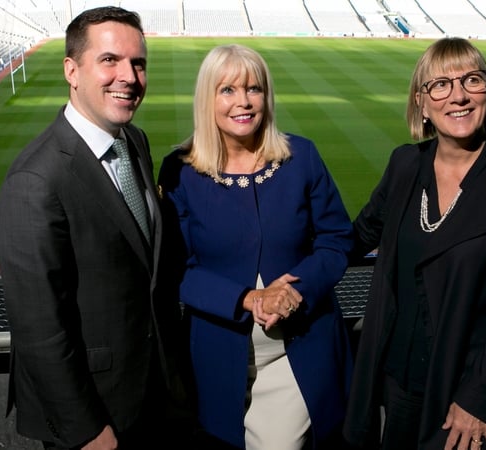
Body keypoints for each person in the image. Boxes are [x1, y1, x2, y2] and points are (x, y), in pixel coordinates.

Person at [342, 37, 486, 450]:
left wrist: (477, 400)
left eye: (472, 80)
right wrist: (288, 269)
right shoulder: (405, 163)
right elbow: (359, 235)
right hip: (399, 379)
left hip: (466, 392)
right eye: (440, 85)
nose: (458, 96)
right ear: (421, 103)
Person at [0, 7, 190, 449]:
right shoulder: (36, 179)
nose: (129, 77)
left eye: (138, 63)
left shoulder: (133, 140)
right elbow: (38, 327)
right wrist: (84, 430)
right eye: (109, 60)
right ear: (72, 70)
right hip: (96, 415)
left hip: (155, 395)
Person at [157, 44, 354, 449]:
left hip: (297, 351)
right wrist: (247, 299)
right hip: (217, 357)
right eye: (227, 90)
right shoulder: (179, 170)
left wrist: (296, 289)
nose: (243, 102)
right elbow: (177, 268)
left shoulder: (302, 156)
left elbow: (336, 239)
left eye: (254, 89)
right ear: (207, 98)